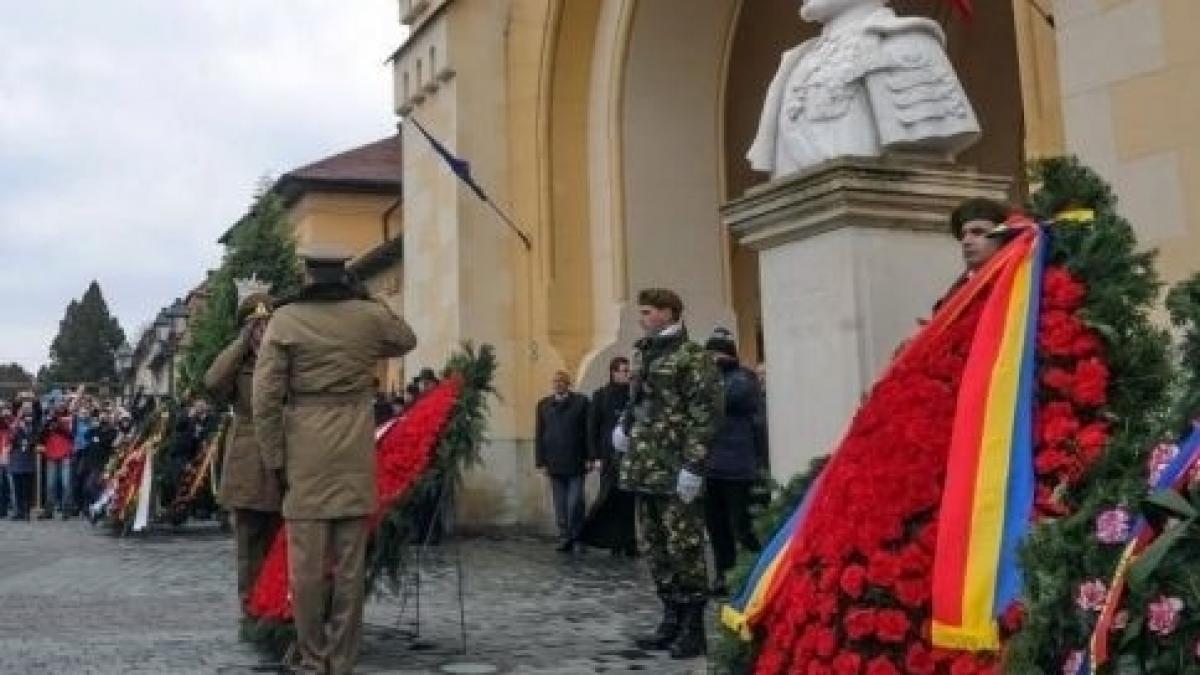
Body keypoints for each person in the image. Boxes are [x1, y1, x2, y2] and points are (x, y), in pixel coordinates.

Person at [253, 245, 417, 675]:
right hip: (354, 443)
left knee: (305, 567)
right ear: (344, 275)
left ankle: (313, 657)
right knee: (349, 565)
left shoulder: (286, 320)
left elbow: (265, 397)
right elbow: (406, 339)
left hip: (305, 445)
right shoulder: (367, 315)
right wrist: (370, 300)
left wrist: (273, 457)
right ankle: (342, 660)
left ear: (308, 275)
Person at [615, 288, 722, 659]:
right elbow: (637, 399)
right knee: (654, 546)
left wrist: (694, 465)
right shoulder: (643, 351)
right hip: (645, 467)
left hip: (676, 468)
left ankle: (693, 629)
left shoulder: (692, 357)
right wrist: (624, 425)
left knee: (685, 547)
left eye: (648, 312)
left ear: (668, 312)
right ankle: (670, 618)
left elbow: (706, 414)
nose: (642, 317)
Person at [206, 290, 282, 615]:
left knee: (281, 536)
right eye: (256, 326)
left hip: (283, 456)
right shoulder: (238, 366)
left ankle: (279, 602)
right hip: (249, 461)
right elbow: (211, 382)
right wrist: (240, 345)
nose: (262, 332)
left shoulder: (283, 358)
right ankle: (251, 605)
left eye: (268, 324)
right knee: (250, 540)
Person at [701, 328, 764, 596]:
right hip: (711, 467)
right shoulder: (710, 380)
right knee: (717, 527)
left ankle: (752, 574)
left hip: (738, 467)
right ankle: (724, 574)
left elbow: (729, 398)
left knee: (742, 526)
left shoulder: (743, 379)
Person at [577, 356, 637, 557]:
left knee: (628, 502)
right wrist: (595, 457)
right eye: (623, 370)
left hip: (631, 457)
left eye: (628, 370)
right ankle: (589, 536)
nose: (628, 374)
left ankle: (629, 541)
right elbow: (592, 428)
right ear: (613, 373)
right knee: (606, 499)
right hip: (608, 458)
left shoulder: (633, 396)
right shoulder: (601, 396)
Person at [534, 370, 592, 553]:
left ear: (568, 384)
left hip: (576, 460)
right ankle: (565, 536)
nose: (558, 384)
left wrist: (591, 456)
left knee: (575, 503)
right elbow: (540, 434)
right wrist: (540, 461)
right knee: (559, 503)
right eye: (555, 381)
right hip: (554, 461)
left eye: (562, 381)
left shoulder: (581, 403)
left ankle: (578, 536)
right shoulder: (544, 405)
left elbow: (588, 431)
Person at [934, 197, 1014, 311]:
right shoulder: (954, 294)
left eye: (977, 232)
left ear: (1002, 239)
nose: (966, 241)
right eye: (963, 235)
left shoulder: (1020, 285)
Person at [40, 402, 75, 519]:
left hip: (65, 454)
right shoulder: (49, 421)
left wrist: (58, 425)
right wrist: (48, 424)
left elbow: (71, 435)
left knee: (66, 484)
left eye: (61, 407)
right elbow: (42, 435)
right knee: (50, 485)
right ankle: (48, 511)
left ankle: (66, 511)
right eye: (57, 407)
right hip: (51, 454)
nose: (59, 409)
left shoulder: (69, 419)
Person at [8, 402, 39, 520]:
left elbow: (36, 438)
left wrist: (28, 440)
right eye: (25, 415)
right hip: (17, 459)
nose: (27, 417)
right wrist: (17, 426)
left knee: (27, 488)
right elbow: (11, 438)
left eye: (29, 415)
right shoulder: (16, 426)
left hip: (28, 459)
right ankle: (19, 511)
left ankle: (26, 511)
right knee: (17, 487)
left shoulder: (34, 426)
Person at [0, 406, 12, 518]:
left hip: (10, 460)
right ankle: (2, 510)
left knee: (10, 486)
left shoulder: (12, 425)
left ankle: (15, 508)